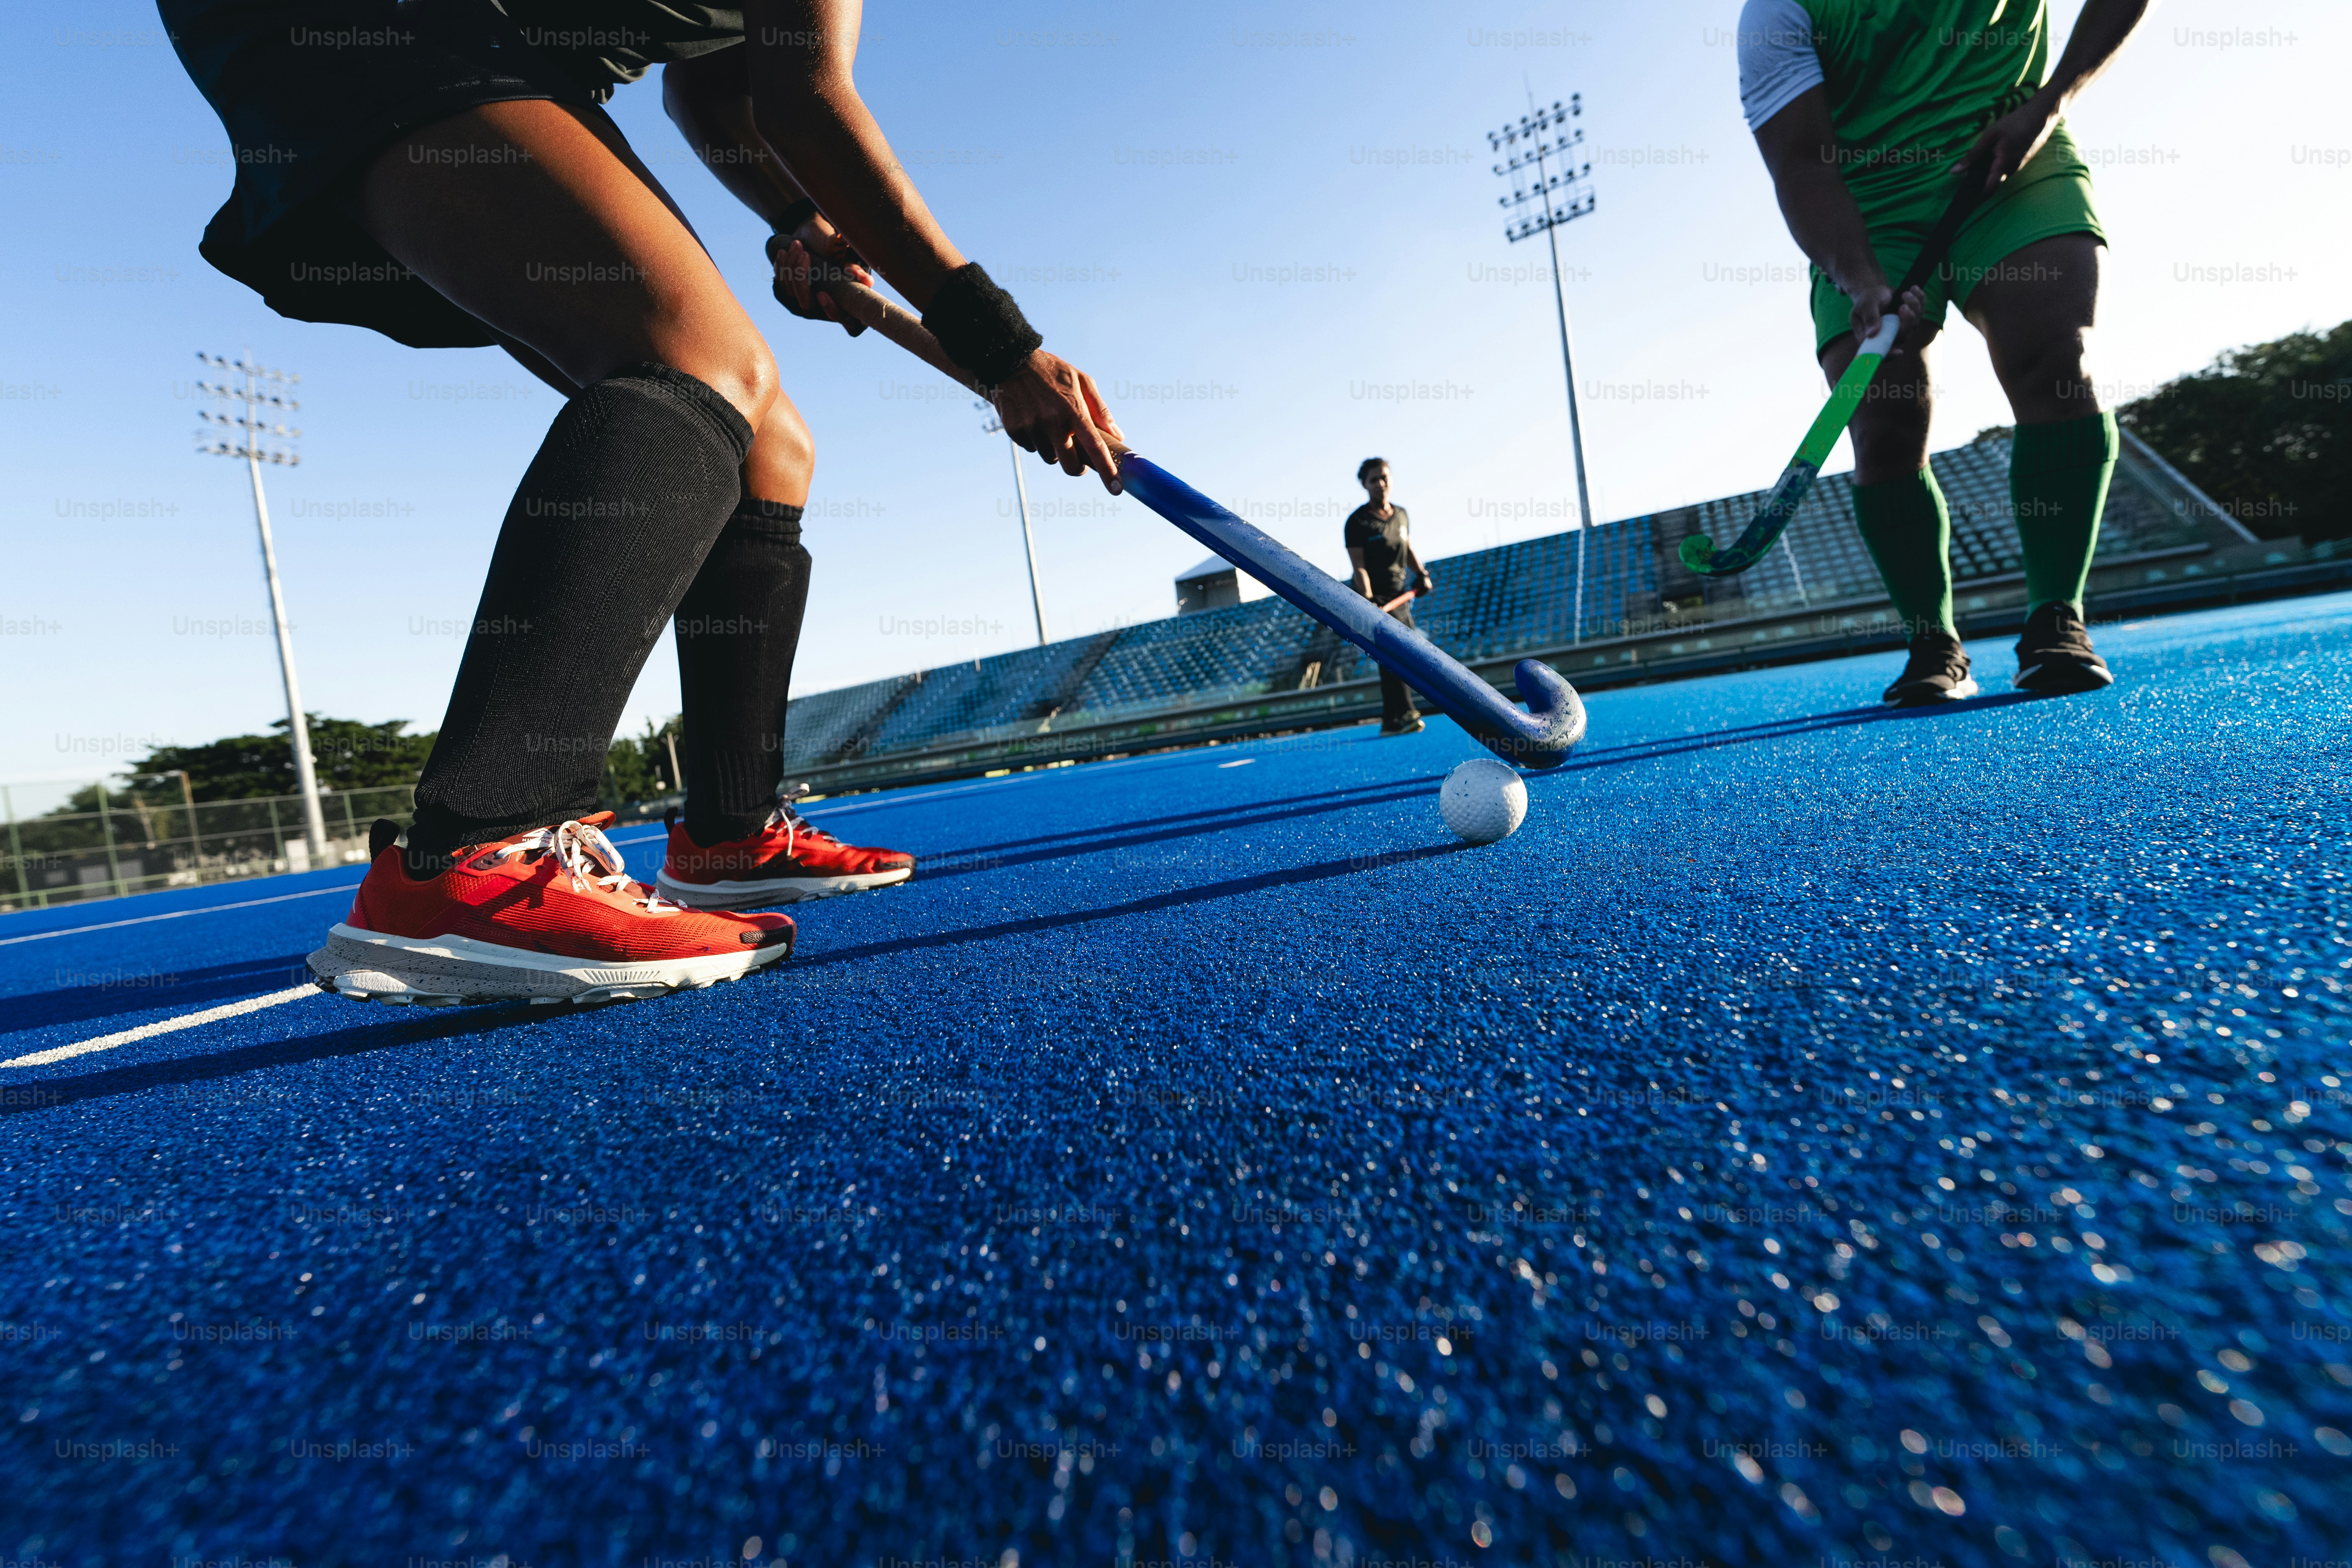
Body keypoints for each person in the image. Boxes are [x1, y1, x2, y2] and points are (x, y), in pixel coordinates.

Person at [159, 0, 1124, 1003]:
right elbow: (810, 102)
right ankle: (472, 855)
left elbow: (713, 88)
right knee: (696, 360)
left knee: (770, 445)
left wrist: (800, 223)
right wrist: (1001, 347)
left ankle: (727, 832)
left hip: (499, 47)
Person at [1737, 0, 2148, 704]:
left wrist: (2051, 103)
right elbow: (1802, 163)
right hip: (1866, 204)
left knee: (2057, 360)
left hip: (2010, 155)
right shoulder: (1776, 14)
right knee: (1884, 419)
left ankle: (2057, 617)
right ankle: (1933, 640)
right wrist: (1860, 277)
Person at [1344, 458, 1434, 736]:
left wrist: (1421, 573)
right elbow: (1358, 566)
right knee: (1399, 653)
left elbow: (1406, 547)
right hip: (1375, 598)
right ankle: (1406, 712)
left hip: (1399, 596)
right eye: (1373, 480)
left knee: (1390, 656)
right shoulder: (1358, 522)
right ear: (1364, 485)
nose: (1380, 484)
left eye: (1384, 477)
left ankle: (1391, 721)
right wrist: (1369, 599)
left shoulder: (1402, 514)